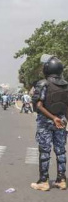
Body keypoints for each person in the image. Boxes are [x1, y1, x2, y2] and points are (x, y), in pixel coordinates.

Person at [31, 54, 68, 191]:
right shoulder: (65, 85)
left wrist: (52, 118)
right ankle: (61, 179)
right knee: (60, 151)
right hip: (61, 122)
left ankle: (43, 181)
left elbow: (39, 106)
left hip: (47, 122)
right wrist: (63, 121)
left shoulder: (43, 83)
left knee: (45, 151)